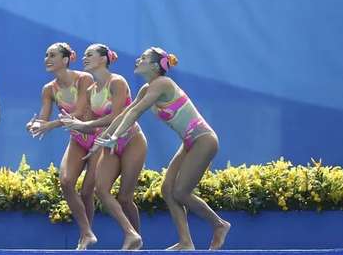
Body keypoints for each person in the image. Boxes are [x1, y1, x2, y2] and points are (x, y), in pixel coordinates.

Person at [96, 47, 230, 250]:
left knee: (181, 193)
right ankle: (186, 242)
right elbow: (125, 114)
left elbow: (137, 113)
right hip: (189, 142)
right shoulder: (146, 89)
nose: (138, 60)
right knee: (167, 189)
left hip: (204, 140)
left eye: (143, 58)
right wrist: (106, 137)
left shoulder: (163, 84)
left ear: (155, 65)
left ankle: (219, 225)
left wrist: (115, 137)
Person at [61, 44, 145, 249]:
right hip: (109, 142)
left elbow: (117, 116)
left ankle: (137, 243)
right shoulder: (91, 90)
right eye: (84, 55)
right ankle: (131, 234)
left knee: (125, 198)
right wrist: (73, 125)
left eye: (90, 55)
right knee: (101, 190)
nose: (84, 58)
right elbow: (90, 127)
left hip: (131, 140)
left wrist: (85, 124)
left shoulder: (117, 82)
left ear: (104, 59)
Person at [26, 42, 97, 250]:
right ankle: (87, 234)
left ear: (66, 60)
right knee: (66, 181)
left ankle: (87, 235)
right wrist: (35, 125)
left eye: (52, 55)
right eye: (46, 55)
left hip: (98, 138)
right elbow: (43, 117)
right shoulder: (49, 89)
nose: (47, 59)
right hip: (78, 140)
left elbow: (79, 111)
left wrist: (50, 125)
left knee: (86, 191)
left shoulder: (85, 79)